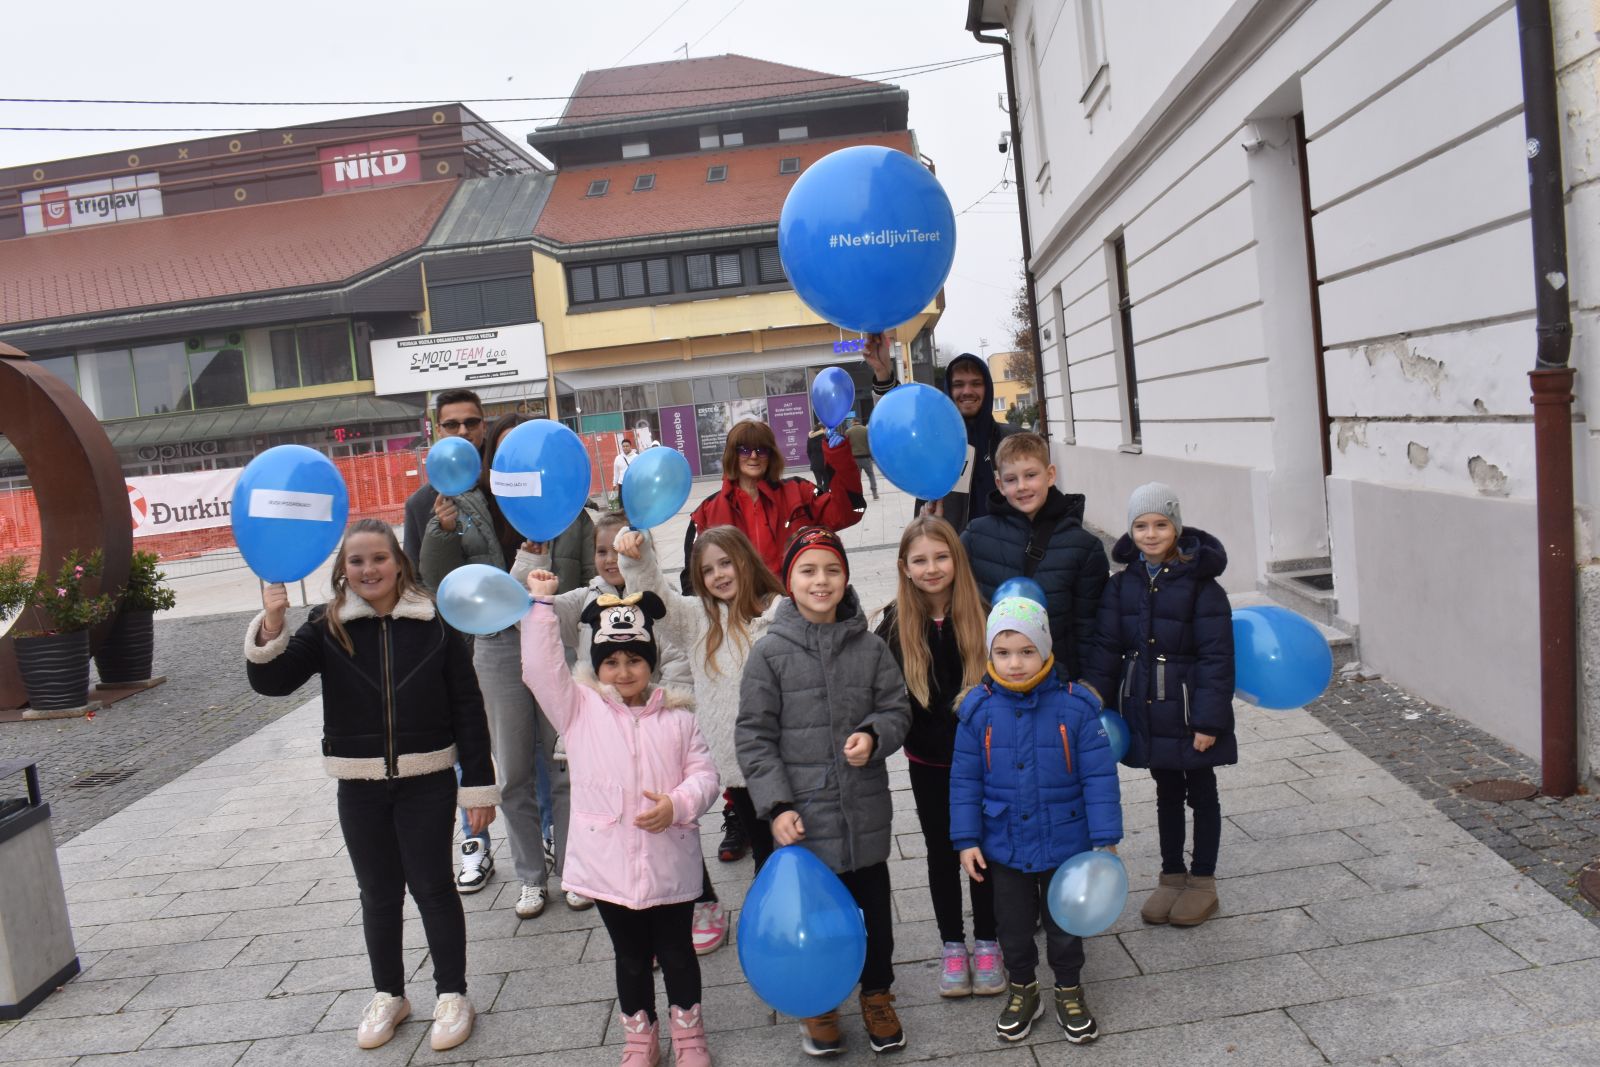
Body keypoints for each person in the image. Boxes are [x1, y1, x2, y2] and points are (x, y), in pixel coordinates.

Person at [244, 519, 498, 1053]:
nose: (368, 570)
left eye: (378, 558)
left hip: (426, 778)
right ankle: (390, 994)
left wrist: (477, 785)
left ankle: (452, 993)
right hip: (358, 785)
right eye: (356, 562)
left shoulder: (435, 622)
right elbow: (272, 681)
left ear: (399, 562)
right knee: (378, 895)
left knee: (433, 888)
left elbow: (468, 707)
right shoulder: (328, 625)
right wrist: (271, 623)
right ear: (343, 571)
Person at [520, 575, 720, 1067]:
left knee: (676, 954)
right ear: (597, 666)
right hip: (607, 867)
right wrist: (541, 608)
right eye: (611, 660)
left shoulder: (680, 719)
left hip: (669, 864)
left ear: (651, 663)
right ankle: (639, 1037)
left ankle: (689, 1035)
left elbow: (705, 777)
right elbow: (542, 671)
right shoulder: (580, 710)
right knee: (630, 957)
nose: (623, 670)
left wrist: (677, 804)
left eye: (634, 659)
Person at [737, 527, 911, 1057]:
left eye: (832, 569)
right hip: (805, 823)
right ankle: (819, 1001)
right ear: (789, 582)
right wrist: (777, 806)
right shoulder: (768, 654)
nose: (821, 580)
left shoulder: (870, 646)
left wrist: (877, 735)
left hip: (863, 820)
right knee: (813, 920)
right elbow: (754, 737)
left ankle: (877, 994)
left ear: (847, 577)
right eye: (808, 570)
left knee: (874, 918)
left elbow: (897, 708)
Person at [422, 414, 596, 907]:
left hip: (552, 641)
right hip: (497, 646)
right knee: (515, 770)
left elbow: (589, 581)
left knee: (563, 763)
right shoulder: (465, 506)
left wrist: (553, 604)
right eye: (505, 455)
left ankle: (575, 868)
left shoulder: (569, 511)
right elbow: (439, 581)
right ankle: (531, 876)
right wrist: (442, 528)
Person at [949, 597, 1122, 1044]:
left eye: (1027, 651)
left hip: (1067, 839)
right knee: (1012, 926)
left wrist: (1105, 838)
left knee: (1065, 925)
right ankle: (1024, 988)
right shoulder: (977, 711)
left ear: (1047, 651)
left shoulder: (1076, 708)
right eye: (1003, 653)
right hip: (1003, 841)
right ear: (989, 655)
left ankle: (1068, 988)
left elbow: (1099, 776)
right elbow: (964, 780)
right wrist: (967, 839)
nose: (1015, 663)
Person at [515, 509, 694, 915]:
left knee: (666, 819)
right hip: (601, 732)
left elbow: (679, 660)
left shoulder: (659, 600)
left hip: (655, 728)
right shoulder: (581, 601)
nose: (611, 559)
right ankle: (602, 879)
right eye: (601, 551)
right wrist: (533, 568)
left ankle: (689, 897)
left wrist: (671, 714)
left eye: (621, 549)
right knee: (605, 814)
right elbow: (527, 609)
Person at [616, 524, 785, 944]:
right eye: (708, 570)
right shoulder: (698, 619)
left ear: (746, 558)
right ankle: (774, 929)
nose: (719, 575)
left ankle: (802, 917)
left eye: (726, 562)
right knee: (765, 850)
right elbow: (656, 598)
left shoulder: (778, 613)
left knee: (793, 848)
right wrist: (637, 560)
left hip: (783, 762)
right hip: (735, 767)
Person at [1083, 483, 1235, 927]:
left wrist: (1208, 720)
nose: (1150, 534)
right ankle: (1172, 875)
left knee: (1201, 792)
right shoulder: (1123, 585)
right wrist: (1094, 696)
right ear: (1130, 530)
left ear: (1176, 527)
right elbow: (1107, 646)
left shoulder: (1203, 587)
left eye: (1160, 524)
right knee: (1166, 791)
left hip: (1189, 711)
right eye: (1141, 525)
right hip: (1147, 710)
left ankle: (1202, 881)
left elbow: (1216, 658)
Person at [871, 515, 1001, 999]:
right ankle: (953, 944)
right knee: (941, 853)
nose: (931, 568)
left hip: (982, 764)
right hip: (929, 764)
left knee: (982, 850)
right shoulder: (893, 626)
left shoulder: (984, 615)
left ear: (957, 560)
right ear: (904, 567)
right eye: (920, 560)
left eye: (941, 557)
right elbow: (887, 700)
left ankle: (988, 942)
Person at [961, 432, 1109, 682]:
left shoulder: (1084, 547)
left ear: (1050, 475)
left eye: (1031, 475)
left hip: (1059, 683)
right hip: (995, 682)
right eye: (1011, 479)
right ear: (999, 483)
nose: (1022, 486)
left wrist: (1089, 688)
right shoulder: (976, 537)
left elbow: (1090, 628)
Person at [859, 338, 1015, 534]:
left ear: (988, 389)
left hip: (1004, 557)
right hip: (948, 554)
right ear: (948, 390)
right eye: (959, 384)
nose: (967, 391)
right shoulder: (933, 440)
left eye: (976, 383)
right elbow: (896, 423)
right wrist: (882, 373)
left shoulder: (1011, 440)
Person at [682, 420, 863, 588]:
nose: (753, 456)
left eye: (761, 450)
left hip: (793, 610)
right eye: (744, 450)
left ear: (771, 455)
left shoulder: (800, 491)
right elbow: (693, 580)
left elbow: (850, 512)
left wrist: (840, 458)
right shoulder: (706, 511)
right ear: (732, 455)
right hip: (738, 614)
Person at [404, 389, 486, 585]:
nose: (463, 431)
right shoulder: (420, 503)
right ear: (438, 430)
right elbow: (414, 577)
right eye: (451, 425)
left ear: (484, 426)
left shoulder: (503, 485)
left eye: (471, 422)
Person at [844, 415, 877, 500]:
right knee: (871, 475)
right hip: (866, 457)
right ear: (859, 421)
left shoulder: (848, 431)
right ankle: (875, 493)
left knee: (857, 478)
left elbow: (845, 446)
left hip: (855, 458)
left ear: (853, 422)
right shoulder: (866, 430)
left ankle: (859, 495)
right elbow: (870, 442)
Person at [806, 420, 830, 490]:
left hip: (815, 463)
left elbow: (808, 451)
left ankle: (818, 497)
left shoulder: (810, 438)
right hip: (824, 463)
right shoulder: (825, 437)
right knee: (827, 481)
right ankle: (826, 496)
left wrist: (812, 460)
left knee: (818, 483)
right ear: (821, 429)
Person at [612, 437, 638, 504]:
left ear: (630, 446)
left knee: (633, 502)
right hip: (622, 484)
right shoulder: (618, 458)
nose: (625, 448)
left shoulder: (636, 457)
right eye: (623, 446)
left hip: (633, 483)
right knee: (622, 503)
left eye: (627, 446)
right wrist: (614, 484)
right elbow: (616, 472)